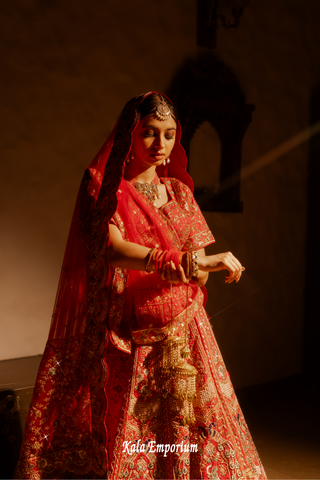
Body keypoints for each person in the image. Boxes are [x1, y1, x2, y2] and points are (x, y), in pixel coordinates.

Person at [15, 92, 267, 479]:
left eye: (168, 135)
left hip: (186, 328)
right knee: (134, 429)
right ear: (127, 135)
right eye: (149, 133)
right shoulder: (103, 186)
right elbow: (112, 251)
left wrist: (198, 266)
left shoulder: (180, 192)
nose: (160, 144)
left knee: (191, 424)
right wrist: (182, 262)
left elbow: (198, 268)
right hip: (126, 329)